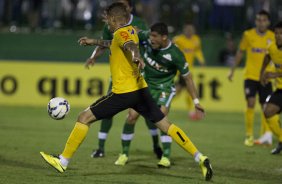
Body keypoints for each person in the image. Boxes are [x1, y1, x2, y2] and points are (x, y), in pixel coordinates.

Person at [39, 2, 213, 181]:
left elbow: (130, 46)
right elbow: (118, 43)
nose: (106, 23)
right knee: (165, 125)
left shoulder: (123, 34)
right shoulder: (129, 30)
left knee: (84, 117)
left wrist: (136, 56)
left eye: (107, 20)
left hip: (123, 93)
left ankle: (63, 161)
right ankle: (200, 157)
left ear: (114, 19)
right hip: (141, 90)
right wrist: (94, 42)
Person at [87, 0, 164, 160]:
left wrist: (139, 56)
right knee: (108, 113)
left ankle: (156, 145)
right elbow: (108, 43)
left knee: (149, 115)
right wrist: (93, 56)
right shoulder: (111, 25)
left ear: (129, 8)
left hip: (137, 74)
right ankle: (101, 148)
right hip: (118, 77)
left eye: (124, 4)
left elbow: (139, 42)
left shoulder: (138, 23)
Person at [114, 22, 198, 168]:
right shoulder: (146, 37)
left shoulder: (175, 54)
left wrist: (196, 101)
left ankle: (166, 157)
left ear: (164, 37)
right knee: (131, 117)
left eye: (155, 36)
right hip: (143, 85)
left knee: (162, 120)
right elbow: (134, 32)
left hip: (163, 89)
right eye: (150, 35)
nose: (151, 39)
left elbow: (188, 78)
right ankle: (124, 154)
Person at [228, 10, 276, 146]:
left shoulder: (273, 36)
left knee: (266, 107)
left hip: (265, 77)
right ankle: (249, 135)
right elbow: (240, 52)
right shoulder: (248, 35)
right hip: (250, 75)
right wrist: (232, 70)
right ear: (255, 21)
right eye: (259, 20)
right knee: (250, 103)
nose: (261, 23)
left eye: (264, 20)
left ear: (268, 22)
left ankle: (266, 135)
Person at [173, 22, 205, 120]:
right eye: (188, 29)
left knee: (179, 91)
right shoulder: (178, 40)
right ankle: (193, 112)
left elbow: (197, 50)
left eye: (191, 29)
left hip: (189, 69)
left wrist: (201, 59)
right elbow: (171, 50)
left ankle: (162, 103)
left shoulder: (196, 40)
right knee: (190, 89)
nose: (190, 31)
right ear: (184, 30)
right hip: (180, 70)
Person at [260, 21, 282, 154]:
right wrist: (262, 72)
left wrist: (274, 73)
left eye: (281, 33)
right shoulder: (272, 47)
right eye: (277, 33)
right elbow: (267, 57)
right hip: (280, 89)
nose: (279, 36)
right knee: (267, 111)